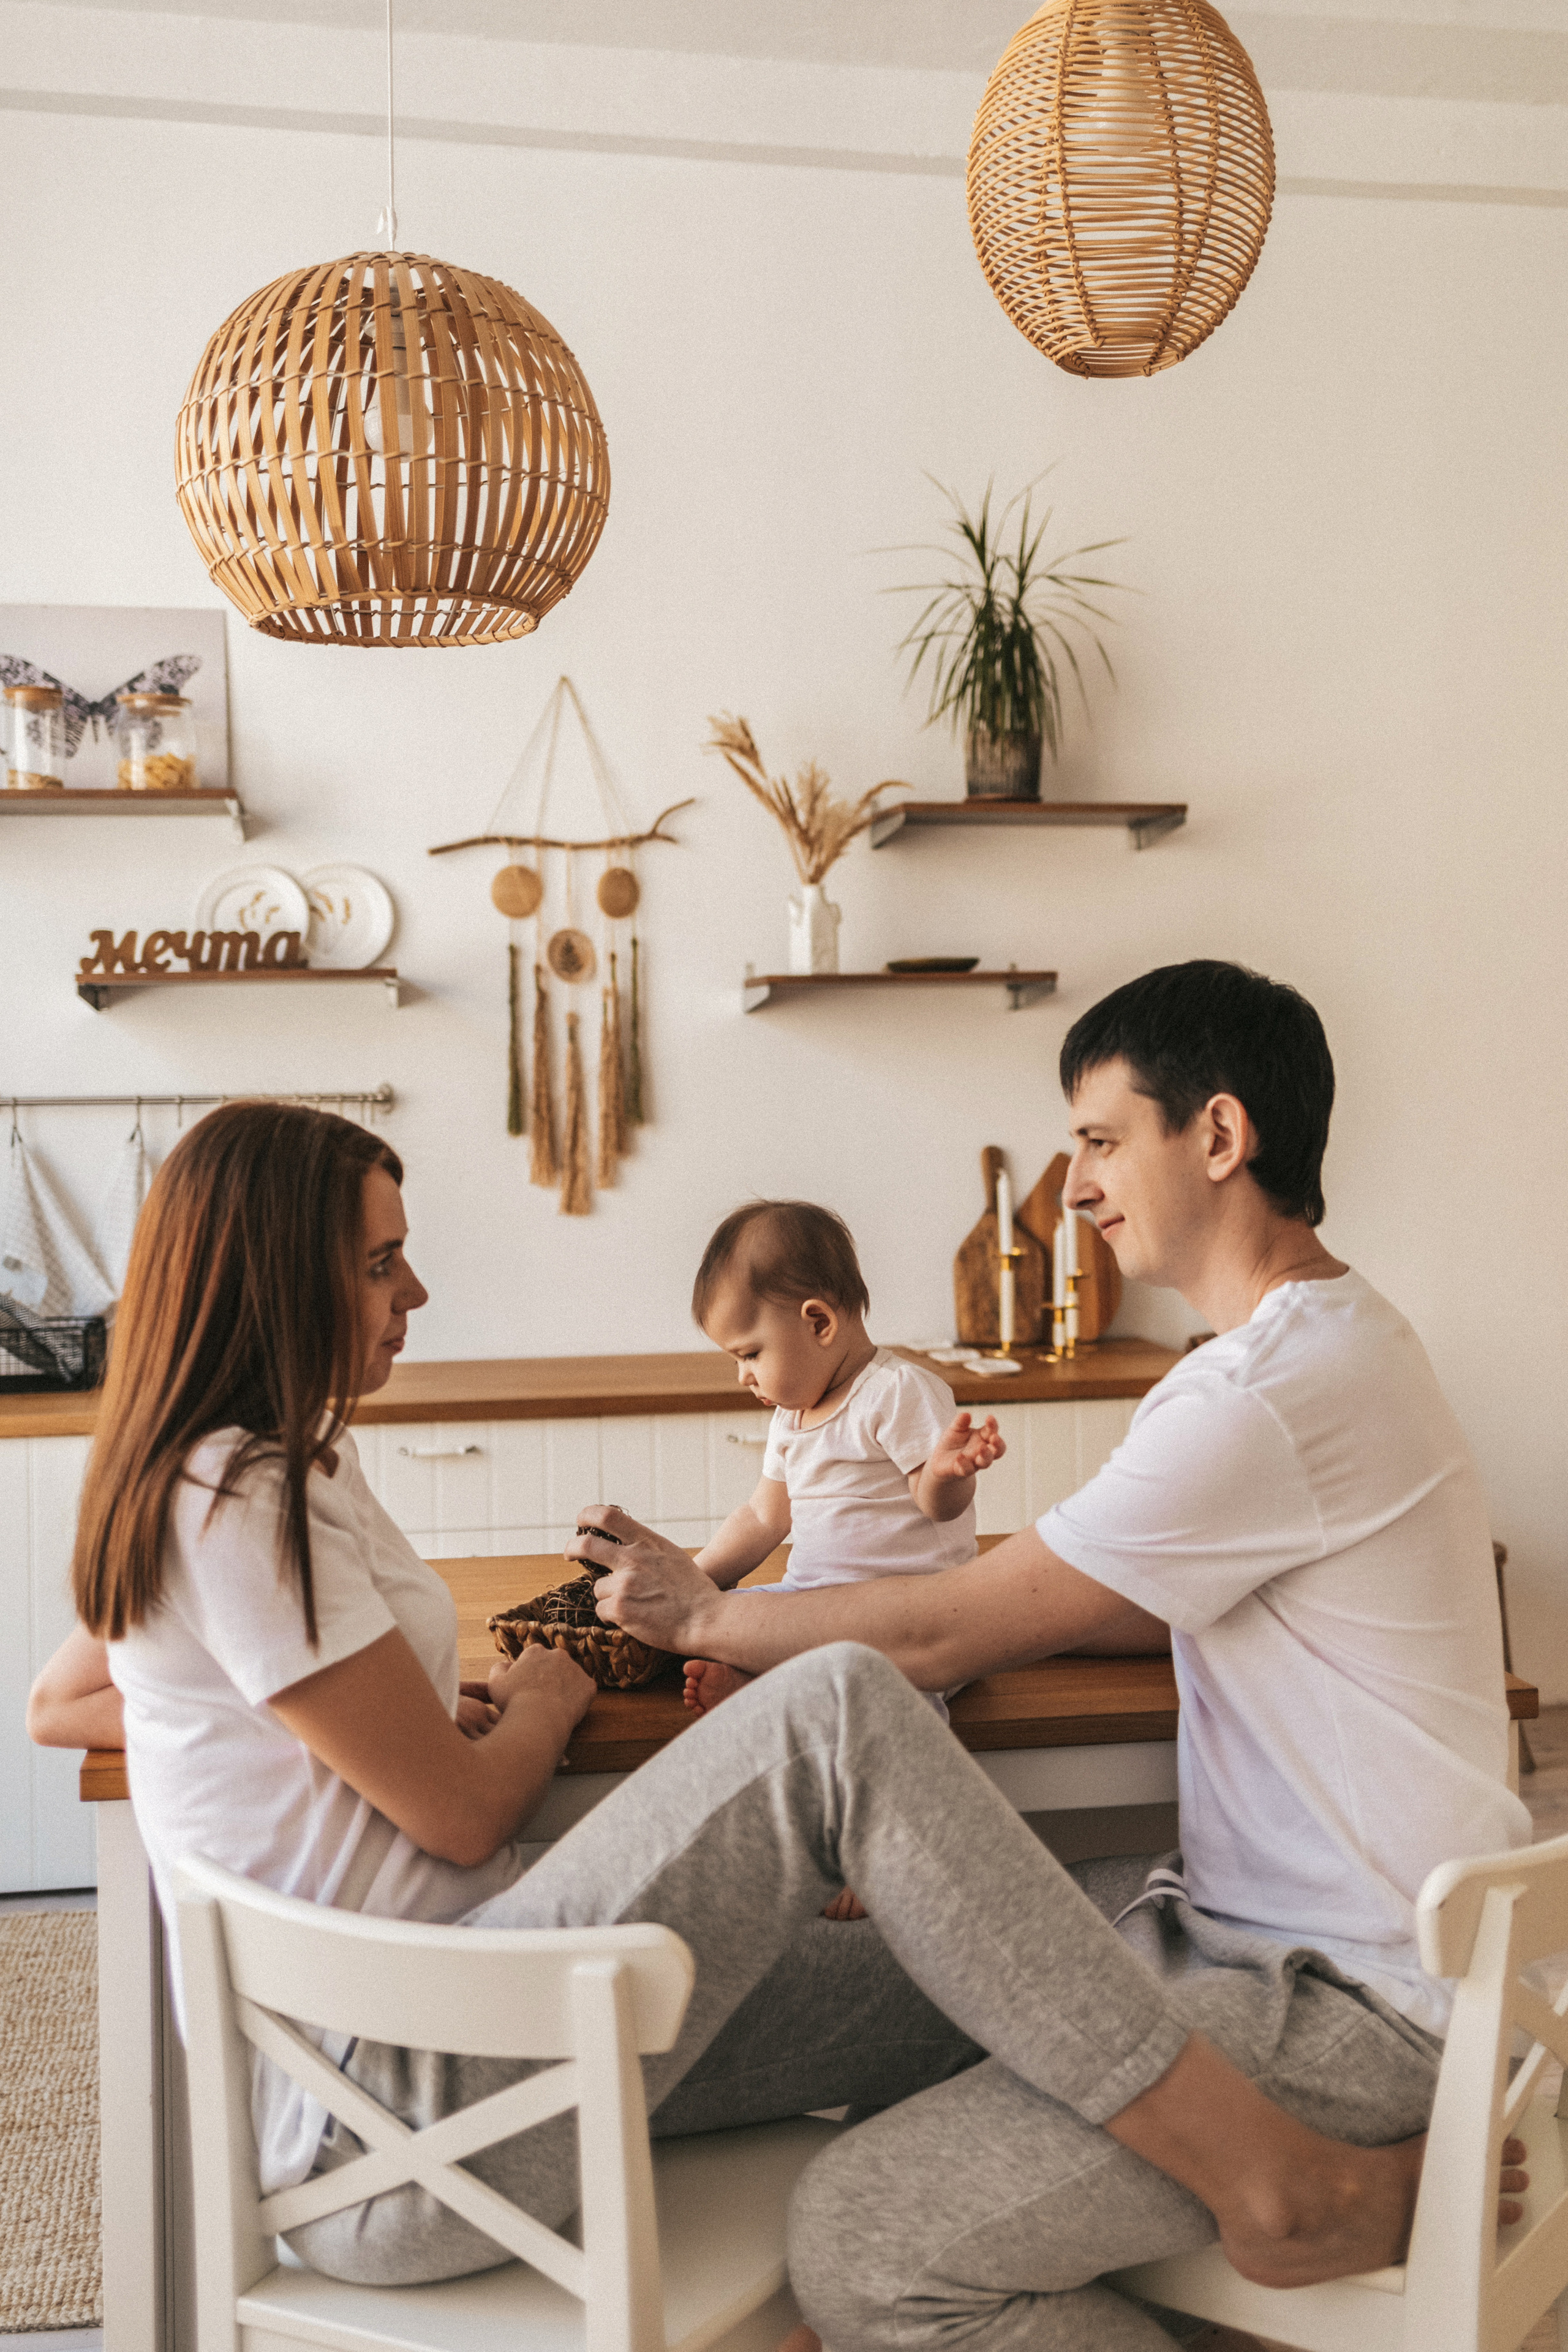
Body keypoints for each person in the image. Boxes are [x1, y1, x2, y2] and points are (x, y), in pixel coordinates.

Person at [54, 1090, 1474, 2343]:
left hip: (479, 2040)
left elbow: (80, 1695)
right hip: (401, 2118)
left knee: (998, 1961)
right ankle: (1267, 2180)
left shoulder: (255, 1464)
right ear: (271, 1276)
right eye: (379, 1261)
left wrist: (343, 1712)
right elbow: (465, 1811)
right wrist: (541, 1696)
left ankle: (963, 2288)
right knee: (836, 1709)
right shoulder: (235, 1492)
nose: (414, 1286)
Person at [578, 959, 1534, 2352]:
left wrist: (704, 1616)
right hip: (1237, 1934)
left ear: (1218, 1134)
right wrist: (1009, 1585)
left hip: (1351, 1996)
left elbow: (942, 1627)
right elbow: (1098, 1596)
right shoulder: (1313, 1351)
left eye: (1097, 1140)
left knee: (863, 2240)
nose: (1072, 1185)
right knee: (789, 2010)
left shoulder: (1263, 1388)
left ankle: (1280, 2196)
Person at [683, 1197, 1004, 1726]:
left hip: (911, 1621)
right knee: (726, 1622)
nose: (743, 1376)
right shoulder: (791, 1417)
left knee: (877, 1680)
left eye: (751, 1354)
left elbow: (939, 1507)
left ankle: (866, 1720)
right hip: (814, 1606)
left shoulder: (897, 1391)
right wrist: (694, 1583)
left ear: (819, 1323)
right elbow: (763, 1518)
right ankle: (762, 1683)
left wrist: (946, 1476)